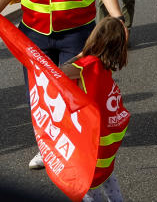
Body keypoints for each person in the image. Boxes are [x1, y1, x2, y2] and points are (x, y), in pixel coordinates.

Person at [0, 0, 125, 170]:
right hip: (34, 32)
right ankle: (47, 147)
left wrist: (117, 18)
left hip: (77, 33)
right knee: (40, 92)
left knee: (73, 91)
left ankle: (76, 142)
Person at [61, 17, 130, 201]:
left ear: (95, 39)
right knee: (107, 177)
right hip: (106, 141)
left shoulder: (87, 65)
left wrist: (81, 54)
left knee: (87, 187)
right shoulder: (105, 65)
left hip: (90, 141)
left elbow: (59, 72)